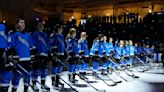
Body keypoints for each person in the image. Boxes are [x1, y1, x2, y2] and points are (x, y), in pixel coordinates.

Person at [10, 18, 33, 92]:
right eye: (21, 22)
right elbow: (11, 47)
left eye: (24, 23)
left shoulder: (28, 35)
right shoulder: (14, 34)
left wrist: (32, 58)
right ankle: (14, 90)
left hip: (27, 59)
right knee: (16, 76)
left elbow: (31, 47)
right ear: (17, 24)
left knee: (27, 75)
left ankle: (26, 90)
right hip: (19, 60)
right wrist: (14, 58)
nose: (23, 24)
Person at [31, 21, 50, 91]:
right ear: (37, 26)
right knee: (35, 70)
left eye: (42, 25)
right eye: (39, 25)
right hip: (37, 55)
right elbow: (33, 44)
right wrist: (34, 53)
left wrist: (49, 53)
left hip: (44, 55)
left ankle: (43, 84)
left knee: (44, 71)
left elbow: (48, 45)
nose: (41, 26)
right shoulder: (35, 34)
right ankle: (34, 84)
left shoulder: (45, 35)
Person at [0, 24, 12, 92]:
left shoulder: (3, 26)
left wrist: (9, 52)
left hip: (4, 53)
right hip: (3, 53)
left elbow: (7, 42)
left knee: (6, 74)